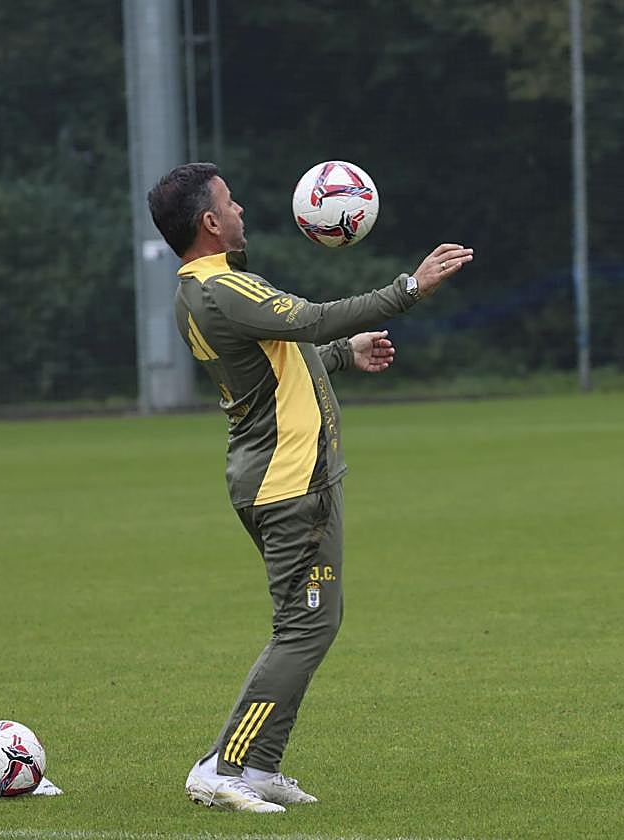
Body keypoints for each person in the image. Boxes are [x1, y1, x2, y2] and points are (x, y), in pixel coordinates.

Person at [146, 162, 472, 813]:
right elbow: (314, 319)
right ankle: (223, 764)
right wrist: (411, 286)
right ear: (210, 222)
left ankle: (260, 764)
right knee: (304, 627)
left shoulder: (203, 291)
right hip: (292, 486)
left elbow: (282, 367)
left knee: (314, 623)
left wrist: (347, 356)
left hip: (286, 479)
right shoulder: (222, 290)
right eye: (231, 203)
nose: (241, 212)